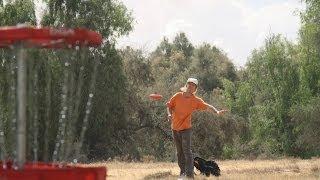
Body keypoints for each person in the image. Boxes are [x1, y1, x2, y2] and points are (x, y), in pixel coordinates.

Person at [166, 78, 227, 178]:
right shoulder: (177, 96)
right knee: (179, 152)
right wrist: (169, 115)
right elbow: (169, 106)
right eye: (189, 84)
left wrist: (216, 112)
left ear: (195, 89)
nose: (190, 87)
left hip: (186, 129)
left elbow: (208, 106)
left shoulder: (195, 100)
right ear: (186, 85)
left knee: (187, 151)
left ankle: (189, 175)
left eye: (193, 86)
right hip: (175, 128)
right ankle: (183, 172)